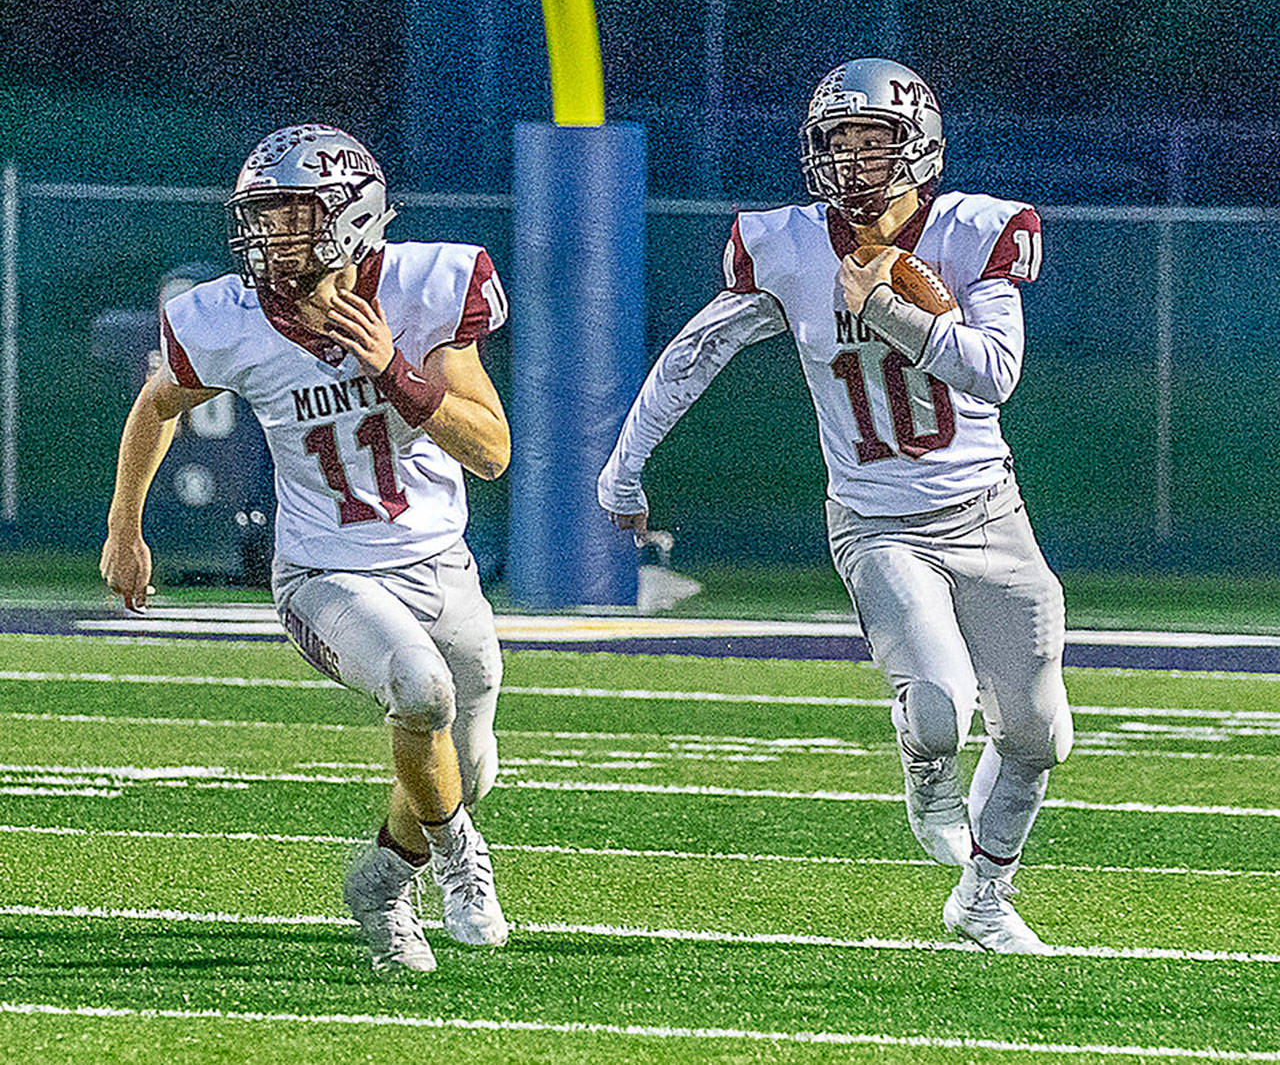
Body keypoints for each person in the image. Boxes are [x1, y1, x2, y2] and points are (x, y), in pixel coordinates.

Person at [597, 59, 1072, 955]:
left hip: (989, 510)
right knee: (938, 703)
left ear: (918, 147)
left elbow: (994, 373)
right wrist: (624, 469)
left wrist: (888, 309)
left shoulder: (977, 232)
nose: (854, 162)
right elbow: (694, 355)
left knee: (1041, 732)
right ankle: (926, 767)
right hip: (876, 521)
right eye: (838, 142)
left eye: (874, 141)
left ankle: (983, 896)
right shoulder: (783, 244)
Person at [100, 124, 512, 973]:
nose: (270, 237)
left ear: (352, 218)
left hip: (440, 563)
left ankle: (381, 881)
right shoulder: (231, 317)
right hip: (325, 572)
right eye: (263, 216)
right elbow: (158, 403)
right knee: (419, 690)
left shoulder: (426, 286)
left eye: (292, 216)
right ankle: (461, 862)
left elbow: (492, 449)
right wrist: (125, 527)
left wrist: (394, 368)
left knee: (466, 761)